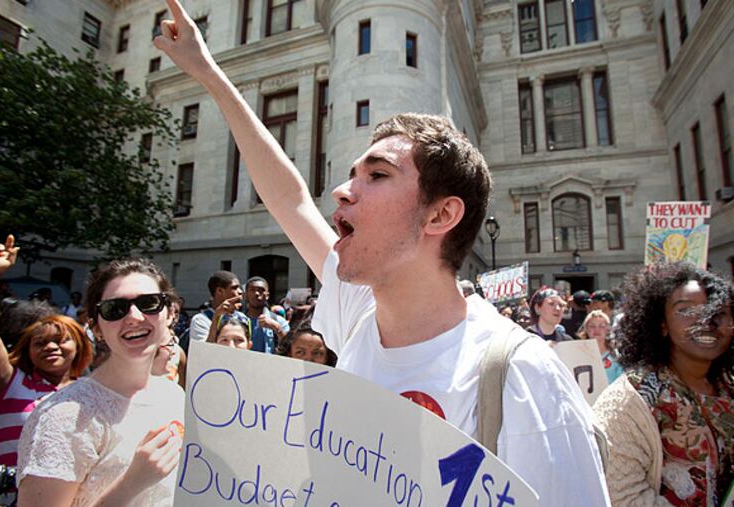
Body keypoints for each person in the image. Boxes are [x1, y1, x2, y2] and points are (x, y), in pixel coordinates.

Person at [153, 3, 609, 504]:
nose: (343, 193)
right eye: (352, 175)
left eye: (377, 175)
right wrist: (208, 73)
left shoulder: (522, 376)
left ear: (440, 216)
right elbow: (290, 199)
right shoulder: (357, 314)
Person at [17, 256, 185, 506]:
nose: (134, 317)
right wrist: (131, 483)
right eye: (114, 309)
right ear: (95, 327)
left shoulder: (175, 396)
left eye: (149, 303)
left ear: (170, 313)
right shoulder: (65, 415)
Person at [592, 263, 733, 506]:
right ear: (662, 324)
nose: (706, 320)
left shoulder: (728, 387)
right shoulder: (630, 400)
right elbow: (621, 497)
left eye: (718, 311)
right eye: (687, 310)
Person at [0, 236, 93, 468]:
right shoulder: (9, 387)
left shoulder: (94, 392)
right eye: (40, 343)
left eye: (60, 340)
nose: (51, 347)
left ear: (79, 346)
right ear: (27, 350)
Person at [188, 270, 245, 344]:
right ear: (220, 291)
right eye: (234, 288)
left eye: (239, 288)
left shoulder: (242, 318)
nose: (240, 291)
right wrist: (216, 318)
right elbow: (202, 352)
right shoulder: (201, 320)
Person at [243, 276, 289, 354]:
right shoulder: (237, 320)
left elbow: (289, 347)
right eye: (252, 290)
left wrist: (277, 328)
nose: (257, 293)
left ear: (267, 295)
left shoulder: (279, 321)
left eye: (261, 290)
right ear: (246, 295)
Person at [577, 310, 623, 384]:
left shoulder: (615, 356)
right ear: (586, 329)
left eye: (601, 326)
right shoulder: (577, 354)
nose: (597, 329)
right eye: (592, 326)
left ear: (608, 330)